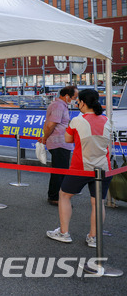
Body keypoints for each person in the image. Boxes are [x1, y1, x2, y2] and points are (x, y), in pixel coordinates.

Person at [46, 89, 112, 248]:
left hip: (81, 166)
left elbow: (68, 138)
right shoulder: (106, 120)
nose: (77, 103)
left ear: (83, 102)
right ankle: (93, 237)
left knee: (64, 195)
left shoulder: (77, 120)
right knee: (98, 202)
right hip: (103, 167)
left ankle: (64, 232)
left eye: (78, 101)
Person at [41, 86, 78, 205]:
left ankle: (55, 195)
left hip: (61, 142)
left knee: (60, 171)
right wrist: (45, 137)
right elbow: (51, 125)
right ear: (67, 96)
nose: (75, 100)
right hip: (58, 143)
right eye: (74, 97)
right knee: (60, 171)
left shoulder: (60, 105)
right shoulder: (58, 106)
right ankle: (55, 197)